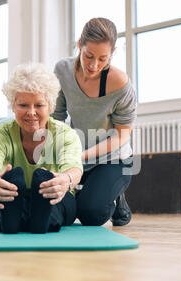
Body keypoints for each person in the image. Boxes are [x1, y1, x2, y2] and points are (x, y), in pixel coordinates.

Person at [0, 63, 83, 234]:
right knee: (2, 200)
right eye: (23, 105)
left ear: (50, 107)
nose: (31, 112)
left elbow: (74, 168)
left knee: (54, 204)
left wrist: (66, 180)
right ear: (13, 106)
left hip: (53, 193)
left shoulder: (64, 134)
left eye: (39, 105)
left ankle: (38, 219)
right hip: (12, 195)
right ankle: (16, 220)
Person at [53, 17, 137, 227]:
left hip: (114, 159)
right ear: (80, 43)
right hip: (76, 156)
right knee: (57, 205)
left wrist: (80, 155)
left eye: (102, 59)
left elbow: (122, 135)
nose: (94, 65)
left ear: (112, 53)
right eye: (88, 56)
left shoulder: (121, 85)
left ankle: (117, 198)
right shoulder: (62, 71)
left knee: (91, 214)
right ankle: (93, 191)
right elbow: (57, 117)